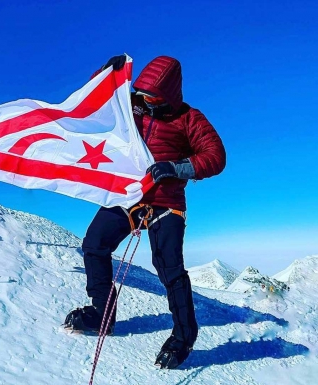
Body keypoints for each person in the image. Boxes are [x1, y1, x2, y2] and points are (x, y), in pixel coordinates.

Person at [63, 54, 226, 369]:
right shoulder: (132, 104)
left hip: (167, 202)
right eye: (142, 93)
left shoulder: (189, 118)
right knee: (95, 244)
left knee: (168, 267)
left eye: (153, 97)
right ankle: (102, 315)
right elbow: (101, 100)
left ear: (169, 95)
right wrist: (106, 72)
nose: (146, 100)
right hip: (130, 196)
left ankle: (184, 336)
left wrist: (176, 168)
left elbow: (215, 157)